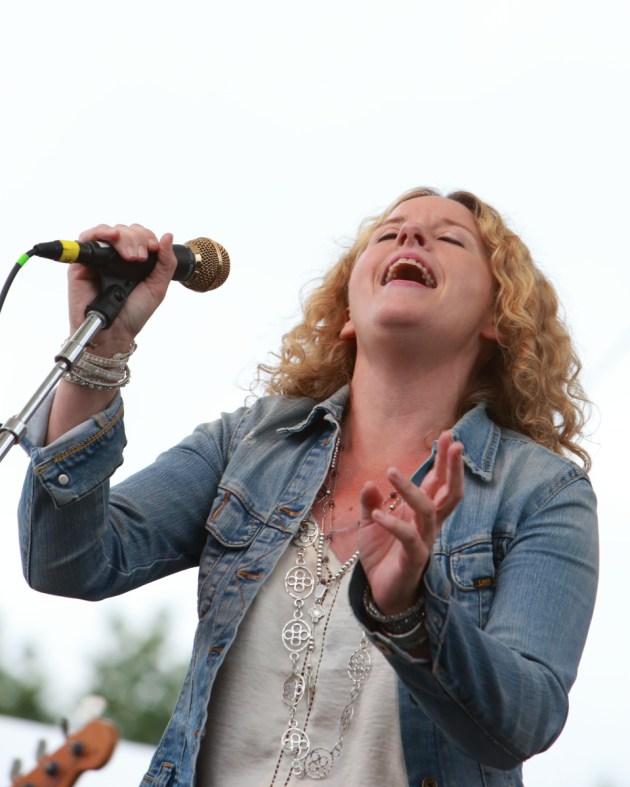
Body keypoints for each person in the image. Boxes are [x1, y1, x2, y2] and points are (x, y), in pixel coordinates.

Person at [17, 187, 598, 787]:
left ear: (500, 318)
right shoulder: (250, 441)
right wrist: (101, 351)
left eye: (450, 239)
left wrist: (409, 612)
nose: (410, 235)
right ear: (347, 313)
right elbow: (67, 563)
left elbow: (525, 722)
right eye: (389, 232)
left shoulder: (543, 493)